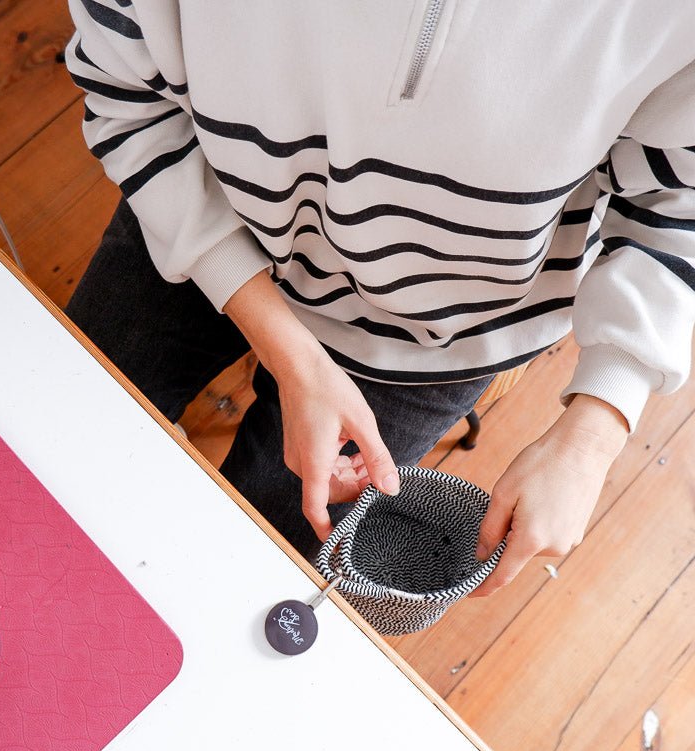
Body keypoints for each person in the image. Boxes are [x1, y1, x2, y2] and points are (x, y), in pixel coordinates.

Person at [63, 1, 695, 596]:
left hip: (432, 340)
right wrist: (292, 355)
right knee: (55, 452)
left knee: (253, 559)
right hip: (196, 213)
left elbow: (680, 201)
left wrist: (595, 430)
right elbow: (126, 88)